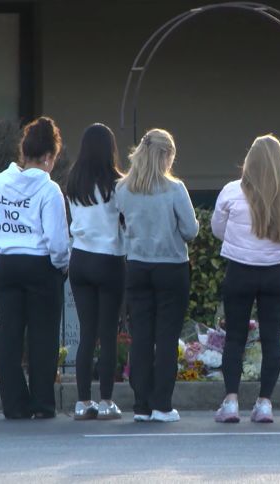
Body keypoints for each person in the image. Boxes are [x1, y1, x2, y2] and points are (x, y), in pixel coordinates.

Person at [0, 116, 69, 419]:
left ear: (24, 152)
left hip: (8, 264)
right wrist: (61, 265)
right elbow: (57, 240)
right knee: (43, 338)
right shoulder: (49, 190)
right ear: (48, 156)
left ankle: (14, 405)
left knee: (10, 336)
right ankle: (42, 404)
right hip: (41, 265)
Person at [211, 135, 280, 424]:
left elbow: (218, 229)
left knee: (235, 337)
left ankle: (231, 402)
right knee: (271, 338)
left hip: (239, 271)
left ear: (249, 161)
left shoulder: (231, 191)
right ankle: (265, 403)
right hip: (275, 272)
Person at [115, 128, 199, 423]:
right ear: (166, 155)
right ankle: (162, 404)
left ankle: (141, 405)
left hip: (137, 265)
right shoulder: (175, 189)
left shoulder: (123, 189)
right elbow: (190, 230)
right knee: (166, 337)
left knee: (140, 337)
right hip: (171, 266)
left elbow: (120, 224)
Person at [66, 123, 126, 421]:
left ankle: (82, 402)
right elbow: (125, 222)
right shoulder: (118, 184)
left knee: (86, 334)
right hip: (109, 259)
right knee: (108, 334)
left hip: (79, 258)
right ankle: (106, 401)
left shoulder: (73, 181)